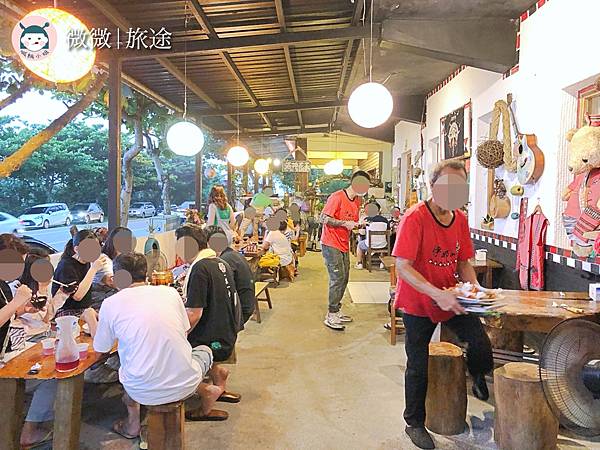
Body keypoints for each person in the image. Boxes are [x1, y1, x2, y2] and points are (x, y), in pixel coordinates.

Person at [393, 160, 493, 449]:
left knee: (480, 342)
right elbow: (403, 266)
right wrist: (436, 294)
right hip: (417, 302)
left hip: (451, 295)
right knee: (418, 365)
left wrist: (475, 288)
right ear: (433, 185)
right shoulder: (415, 217)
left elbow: (464, 262)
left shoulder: (460, 219)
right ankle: (414, 423)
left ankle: (477, 374)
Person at [86, 253, 230, 438]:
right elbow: (185, 331)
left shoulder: (110, 304)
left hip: (139, 389)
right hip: (184, 384)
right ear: (146, 273)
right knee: (204, 350)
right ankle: (207, 388)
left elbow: (101, 349)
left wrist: (90, 318)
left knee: (131, 367)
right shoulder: (170, 293)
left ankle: (132, 425)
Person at [182, 225, 241, 420]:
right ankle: (219, 375)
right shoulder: (217, 261)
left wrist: (180, 334)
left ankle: (206, 400)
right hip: (226, 332)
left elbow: (195, 314)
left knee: (168, 350)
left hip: (213, 339)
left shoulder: (199, 268)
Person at [320, 170, 370, 330]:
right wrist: (343, 223)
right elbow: (324, 218)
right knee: (337, 278)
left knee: (345, 277)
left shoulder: (357, 201)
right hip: (330, 242)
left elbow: (352, 222)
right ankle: (331, 314)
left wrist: (360, 223)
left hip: (343, 243)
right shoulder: (337, 197)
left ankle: (337, 309)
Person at [52, 229, 109, 317]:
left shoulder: (86, 261)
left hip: (84, 309)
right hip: (66, 311)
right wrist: (94, 269)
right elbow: (77, 297)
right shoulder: (66, 266)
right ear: (76, 249)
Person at [206, 226, 255, 325]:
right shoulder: (233, 254)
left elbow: (220, 291)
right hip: (247, 304)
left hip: (240, 311)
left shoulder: (224, 261)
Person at [90, 227, 128, 309]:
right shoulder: (103, 259)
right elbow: (111, 281)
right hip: (100, 297)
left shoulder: (121, 258)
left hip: (111, 294)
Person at [355, 202, 389, 270]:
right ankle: (382, 263)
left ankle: (359, 263)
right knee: (381, 242)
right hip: (383, 244)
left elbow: (362, 232)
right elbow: (389, 232)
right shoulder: (385, 220)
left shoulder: (367, 219)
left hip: (369, 244)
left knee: (359, 245)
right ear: (379, 210)